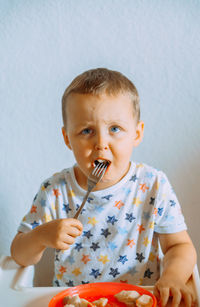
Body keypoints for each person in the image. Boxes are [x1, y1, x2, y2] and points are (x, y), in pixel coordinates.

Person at [11, 68, 197, 306]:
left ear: (137, 133)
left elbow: (180, 246)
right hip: (75, 301)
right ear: (67, 138)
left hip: (139, 300)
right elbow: (19, 254)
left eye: (115, 129)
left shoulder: (154, 185)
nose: (101, 144)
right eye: (86, 131)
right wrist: (41, 236)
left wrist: (173, 276)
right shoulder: (55, 190)